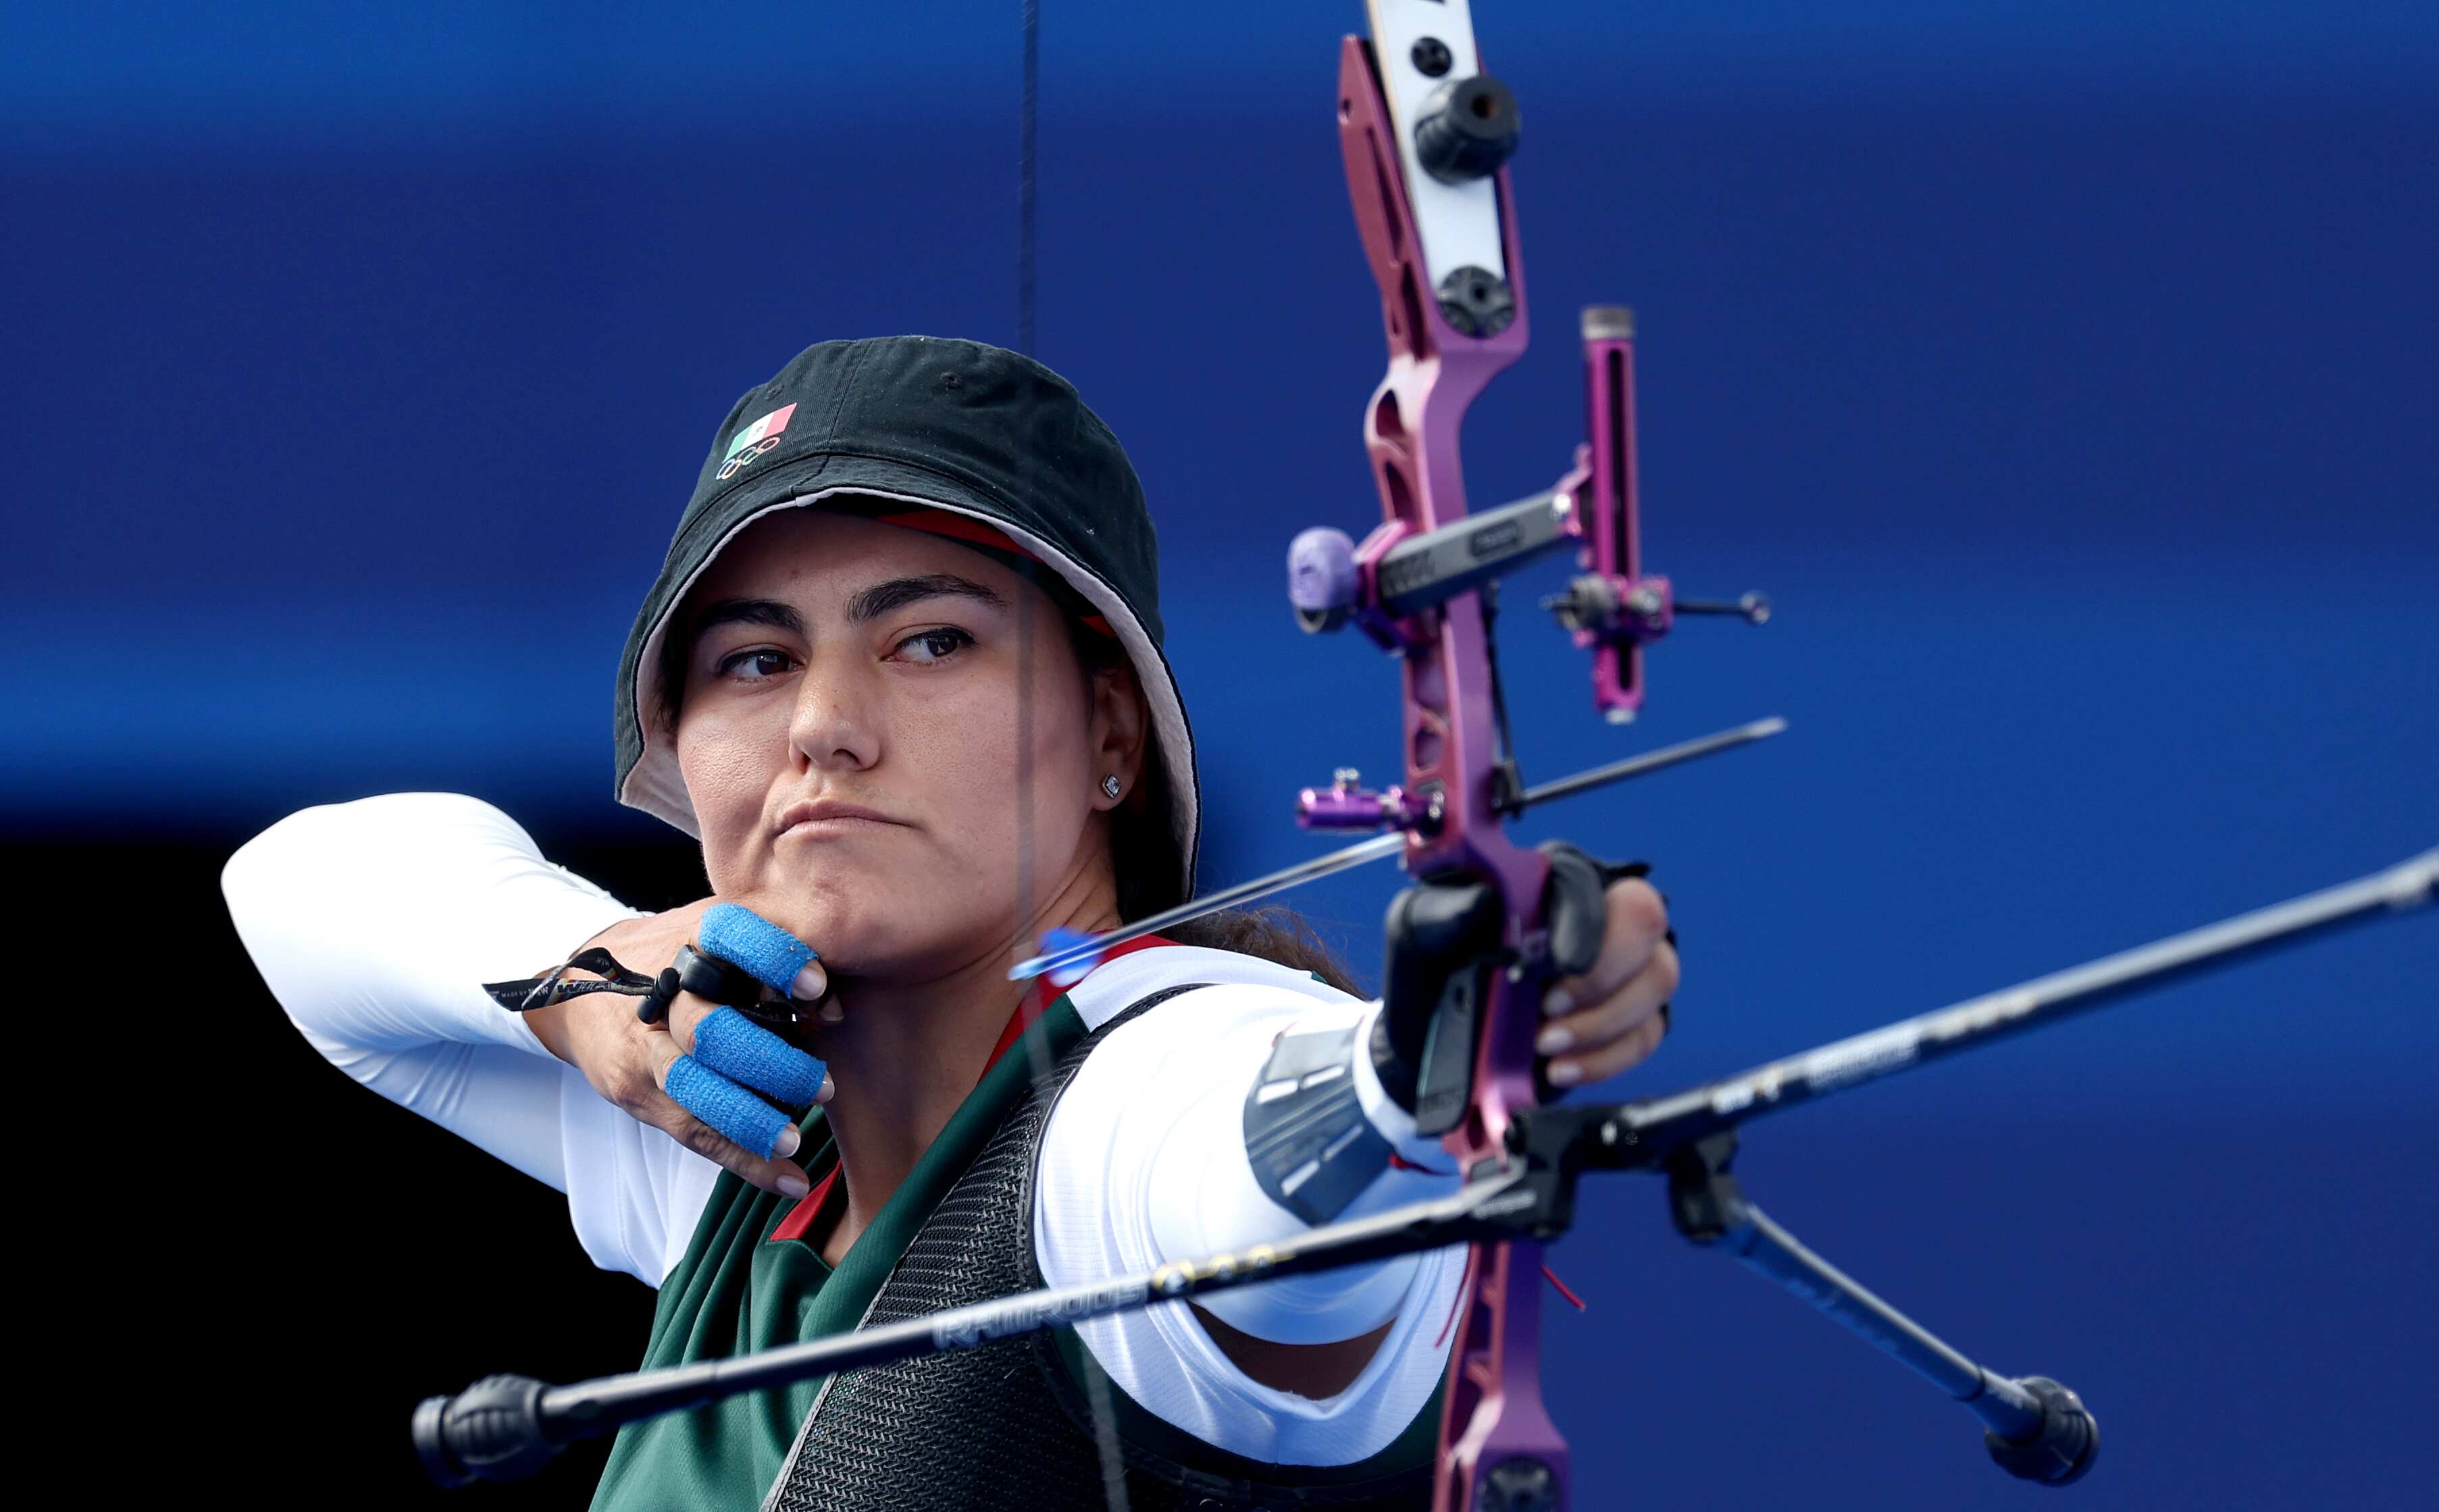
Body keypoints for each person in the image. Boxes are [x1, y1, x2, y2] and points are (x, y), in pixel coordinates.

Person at [224, 336, 1678, 1509]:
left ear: (1111, 730)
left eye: (932, 640)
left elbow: (1250, 1169)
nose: (824, 727)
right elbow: (292, 889)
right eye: (750, 659)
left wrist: (1414, 1071)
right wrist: (581, 984)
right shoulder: (738, 1142)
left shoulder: (1149, 1093)